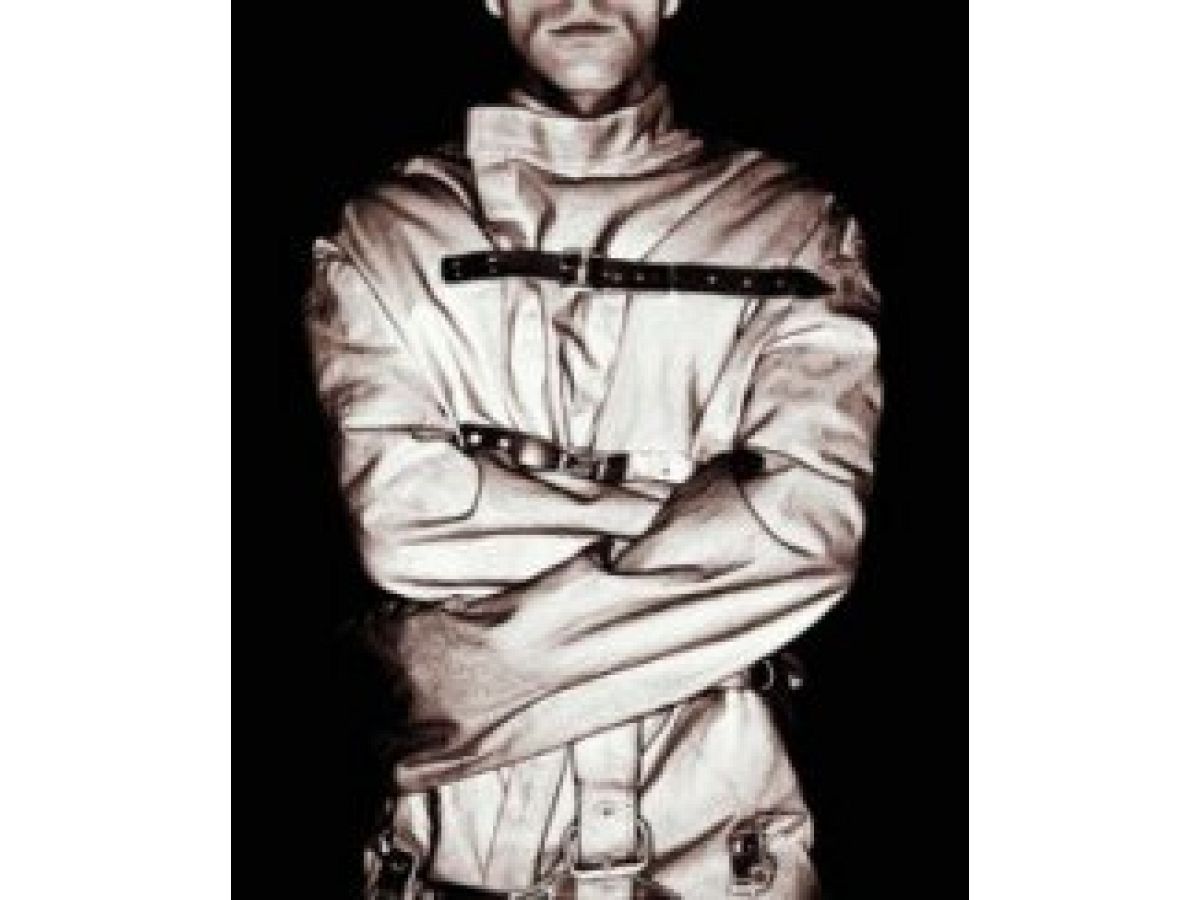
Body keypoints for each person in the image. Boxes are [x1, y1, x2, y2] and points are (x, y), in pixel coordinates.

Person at [304, 1, 882, 896]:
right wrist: (697, 520)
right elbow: (404, 524)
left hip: (718, 843)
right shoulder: (389, 238)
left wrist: (453, 679)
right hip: (461, 849)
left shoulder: (794, 228)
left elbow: (808, 529)